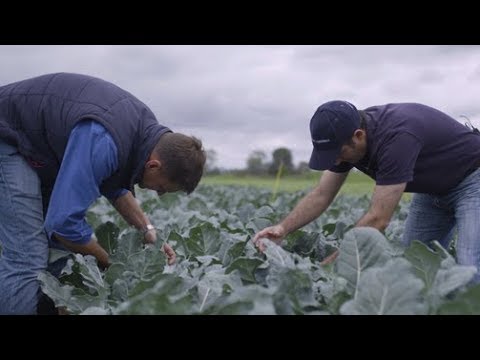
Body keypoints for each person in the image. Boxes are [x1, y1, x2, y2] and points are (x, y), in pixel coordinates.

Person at [0, 72, 206, 315]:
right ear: (154, 166)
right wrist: (111, 263)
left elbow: (116, 186)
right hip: (8, 136)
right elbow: (63, 224)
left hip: (38, 149)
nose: (158, 193)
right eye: (161, 188)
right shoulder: (103, 138)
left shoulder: (143, 132)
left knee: (57, 249)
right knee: (28, 256)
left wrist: (150, 234)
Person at [253, 100, 480, 283]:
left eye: (338, 153)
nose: (336, 160)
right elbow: (321, 194)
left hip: (473, 180)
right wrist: (283, 228)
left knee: (471, 266)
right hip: (433, 192)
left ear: (359, 135)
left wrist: (329, 268)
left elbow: (378, 220)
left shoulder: (397, 138)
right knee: (415, 265)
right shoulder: (345, 144)